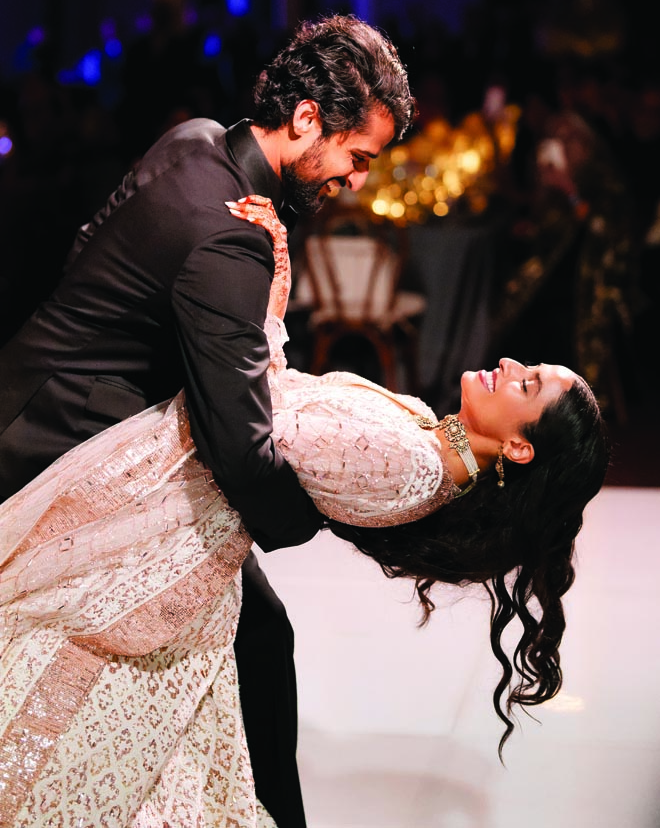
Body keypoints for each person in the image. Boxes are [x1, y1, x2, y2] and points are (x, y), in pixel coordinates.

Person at [0, 193, 608, 826]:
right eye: (528, 367)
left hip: (164, 510)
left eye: (527, 384)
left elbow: (254, 421)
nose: (510, 365)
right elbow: (268, 402)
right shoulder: (429, 439)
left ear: (517, 445)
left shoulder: (411, 461)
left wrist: (255, 281)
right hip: (184, 503)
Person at [0, 14, 415, 828]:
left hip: (35, 396)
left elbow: (91, 249)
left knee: (241, 639)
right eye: (356, 156)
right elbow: (244, 452)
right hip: (55, 446)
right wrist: (345, 515)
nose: (358, 180)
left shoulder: (193, 138)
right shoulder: (231, 238)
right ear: (306, 120)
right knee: (255, 640)